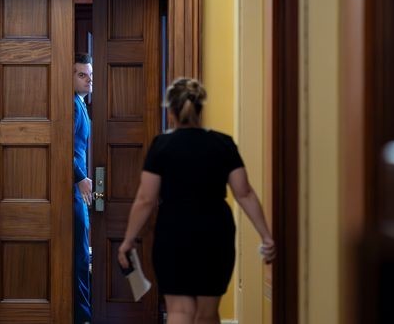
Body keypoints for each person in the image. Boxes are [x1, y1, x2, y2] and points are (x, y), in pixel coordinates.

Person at [117, 78, 276, 324]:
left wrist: (128, 241)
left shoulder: (162, 146)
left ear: (171, 112)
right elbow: (244, 192)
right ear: (201, 109)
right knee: (207, 313)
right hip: (215, 233)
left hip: (174, 232)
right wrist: (266, 236)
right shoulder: (223, 144)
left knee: (179, 312)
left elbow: (146, 199)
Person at [73, 53, 93, 324]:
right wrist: (79, 177)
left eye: (90, 75)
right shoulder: (73, 106)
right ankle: (83, 316)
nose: (89, 80)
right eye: (82, 75)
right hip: (72, 188)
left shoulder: (81, 104)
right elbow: (65, 145)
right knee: (79, 255)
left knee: (82, 252)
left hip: (80, 189)